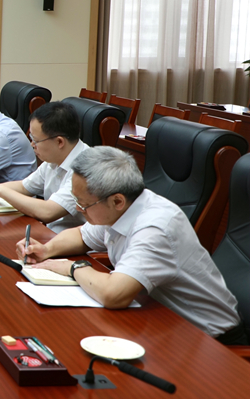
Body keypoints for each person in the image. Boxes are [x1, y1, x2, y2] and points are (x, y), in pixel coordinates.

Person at [18, 146, 245, 344]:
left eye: (83, 204)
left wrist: (72, 267)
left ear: (117, 200)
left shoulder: (155, 228)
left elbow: (113, 294)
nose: (78, 209)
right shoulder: (121, 207)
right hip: (161, 321)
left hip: (211, 341)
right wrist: (47, 250)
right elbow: (82, 236)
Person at [0, 101, 88, 232]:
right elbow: (24, 186)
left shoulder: (85, 168)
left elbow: (48, 212)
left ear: (59, 142)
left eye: (36, 140)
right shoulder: (54, 158)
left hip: (74, 241)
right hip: (50, 234)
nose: (31, 145)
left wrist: (1, 191)